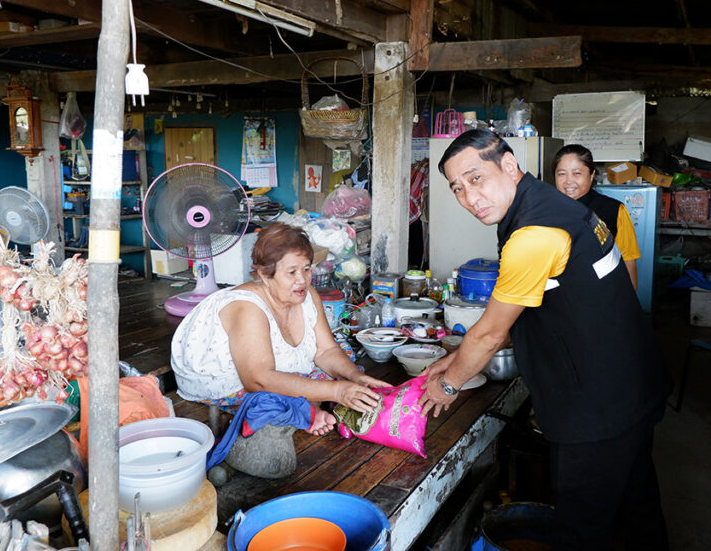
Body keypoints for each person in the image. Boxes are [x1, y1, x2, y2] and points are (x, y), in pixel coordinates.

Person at [419, 130, 672, 550]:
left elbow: (491, 332)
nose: (469, 198)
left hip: (597, 406)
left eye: (476, 178)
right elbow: (531, 308)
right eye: (457, 188)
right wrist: (457, 358)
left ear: (509, 165)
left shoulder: (534, 233)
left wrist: (447, 385)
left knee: (582, 529)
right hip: (632, 384)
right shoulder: (551, 206)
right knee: (636, 509)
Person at [171, 223, 389, 435]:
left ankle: (308, 406)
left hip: (267, 369)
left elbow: (326, 350)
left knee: (343, 355)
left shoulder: (307, 294)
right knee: (265, 396)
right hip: (229, 379)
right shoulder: (248, 308)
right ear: (265, 275)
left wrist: (354, 377)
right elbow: (258, 379)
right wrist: (338, 391)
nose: (302, 280)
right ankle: (304, 410)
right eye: (291, 272)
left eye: (306, 269)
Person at [552, 144, 640, 290]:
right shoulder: (545, 210)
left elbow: (628, 261)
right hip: (557, 296)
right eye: (561, 174)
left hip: (601, 295)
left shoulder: (614, 210)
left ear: (592, 175)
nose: (568, 181)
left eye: (577, 173)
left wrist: (629, 301)